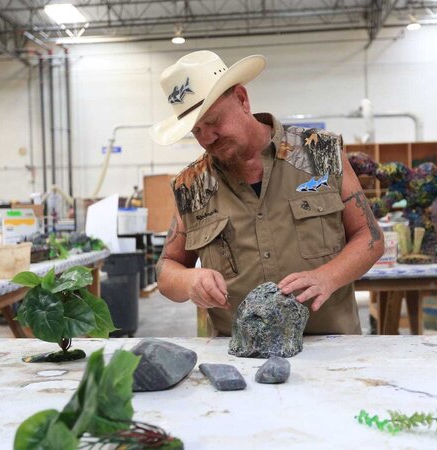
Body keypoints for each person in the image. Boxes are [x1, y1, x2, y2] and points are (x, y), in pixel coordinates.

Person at [149, 50, 383, 336]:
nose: (207, 138)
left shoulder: (318, 153)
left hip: (331, 350)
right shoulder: (192, 186)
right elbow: (166, 269)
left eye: (213, 121)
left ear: (242, 99)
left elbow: (369, 236)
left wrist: (328, 277)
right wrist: (189, 281)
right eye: (196, 130)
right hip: (239, 360)